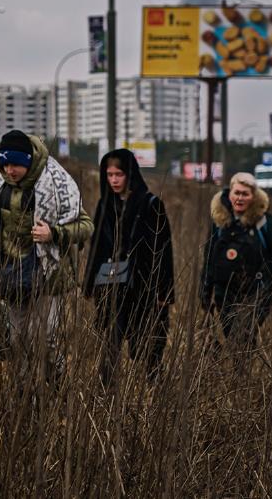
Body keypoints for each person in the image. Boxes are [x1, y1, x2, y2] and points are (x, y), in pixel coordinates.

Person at [0, 130, 93, 388]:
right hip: (11, 275)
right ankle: (25, 396)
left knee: (45, 338)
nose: (10, 170)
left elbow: (86, 226)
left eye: (16, 165)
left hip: (49, 275)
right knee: (17, 340)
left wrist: (54, 233)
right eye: (5, 164)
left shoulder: (56, 183)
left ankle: (57, 384)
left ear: (28, 161)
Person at [85, 149, 174, 388]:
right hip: (112, 287)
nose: (113, 180)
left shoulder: (151, 205)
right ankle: (106, 397)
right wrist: (89, 283)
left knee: (146, 349)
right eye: (109, 174)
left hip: (143, 288)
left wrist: (165, 291)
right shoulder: (105, 205)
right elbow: (97, 247)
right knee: (110, 346)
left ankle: (155, 396)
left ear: (130, 174)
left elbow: (164, 250)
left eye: (119, 174)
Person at [199, 172, 272, 354]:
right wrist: (205, 290)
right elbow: (209, 258)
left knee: (242, 334)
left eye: (245, 194)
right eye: (237, 193)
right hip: (225, 293)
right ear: (229, 194)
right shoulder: (219, 222)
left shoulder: (264, 222)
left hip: (257, 293)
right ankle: (239, 374)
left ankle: (241, 376)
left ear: (254, 196)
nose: (240, 198)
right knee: (231, 336)